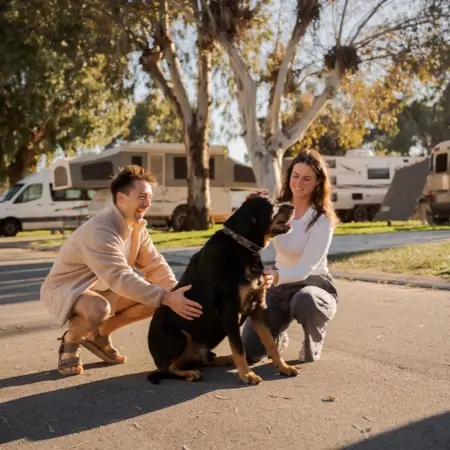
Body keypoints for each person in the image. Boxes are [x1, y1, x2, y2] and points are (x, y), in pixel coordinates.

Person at [40, 165, 203, 376]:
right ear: (121, 198)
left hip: (104, 288)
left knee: (160, 301)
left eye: (149, 198)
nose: (147, 203)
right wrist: (167, 297)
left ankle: (100, 334)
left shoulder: (136, 227)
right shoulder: (101, 230)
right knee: (99, 308)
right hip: (67, 290)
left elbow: (155, 265)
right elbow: (119, 277)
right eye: (142, 197)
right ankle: (70, 341)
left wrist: (175, 292)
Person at [242, 150, 339, 363]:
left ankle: (314, 336)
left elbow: (305, 269)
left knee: (305, 300)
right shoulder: (278, 209)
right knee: (249, 350)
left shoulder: (321, 219)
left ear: (317, 182)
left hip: (314, 285)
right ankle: (278, 334)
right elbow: (251, 238)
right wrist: (250, 208)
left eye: (307, 178)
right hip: (280, 288)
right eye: (295, 176)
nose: (299, 183)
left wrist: (275, 276)